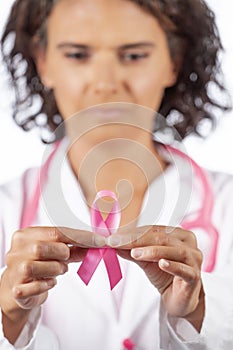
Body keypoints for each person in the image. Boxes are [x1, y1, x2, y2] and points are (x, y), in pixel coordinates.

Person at [0, 0, 233, 349]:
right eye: (78, 55)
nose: (106, 84)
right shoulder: (6, 210)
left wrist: (199, 311)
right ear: (43, 61)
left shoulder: (226, 207)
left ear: (174, 62)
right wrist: (9, 318)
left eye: (134, 55)